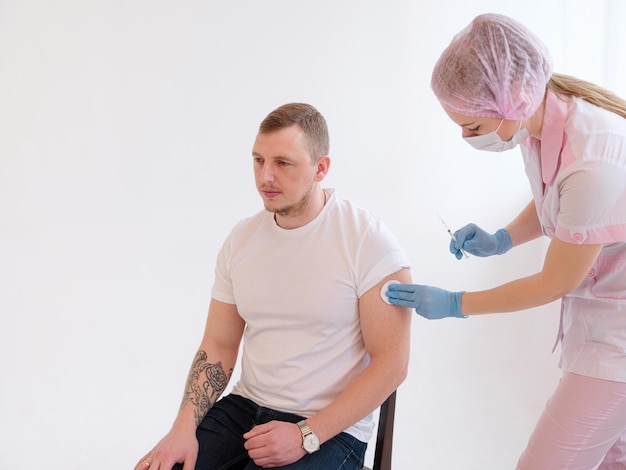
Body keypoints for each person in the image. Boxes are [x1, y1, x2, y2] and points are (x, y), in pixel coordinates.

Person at [385, 13, 626, 470]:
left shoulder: (595, 157)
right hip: (600, 326)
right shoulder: (539, 122)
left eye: (472, 128)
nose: (465, 138)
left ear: (513, 100)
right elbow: (557, 201)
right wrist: (503, 238)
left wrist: (457, 302)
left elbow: (552, 282)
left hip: (618, 346)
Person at [135, 103, 412, 470]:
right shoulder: (242, 240)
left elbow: (392, 364)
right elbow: (218, 344)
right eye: (258, 160)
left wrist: (305, 434)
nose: (266, 176)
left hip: (329, 425)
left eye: (283, 163)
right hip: (245, 408)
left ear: (321, 168)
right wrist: (182, 428)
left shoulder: (369, 241)